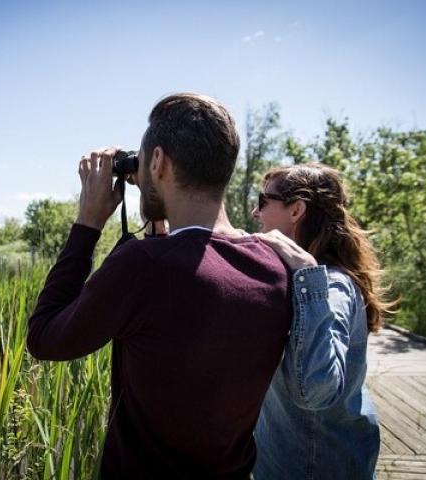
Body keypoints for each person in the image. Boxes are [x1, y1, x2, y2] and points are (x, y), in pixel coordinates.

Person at [27, 93, 292, 479]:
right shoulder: (273, 265)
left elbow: (44, 337)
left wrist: (87, 223)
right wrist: (158, 215)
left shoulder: (143, 266)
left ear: (157, 162)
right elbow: (190, 277)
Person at [251, 163, 391, 480]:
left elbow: (315, 392)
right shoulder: (303, 278)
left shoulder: (331, 285)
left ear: (296, 209)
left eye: (262, 201)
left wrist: (308, 273)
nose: (255, 212)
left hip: (314, 466)